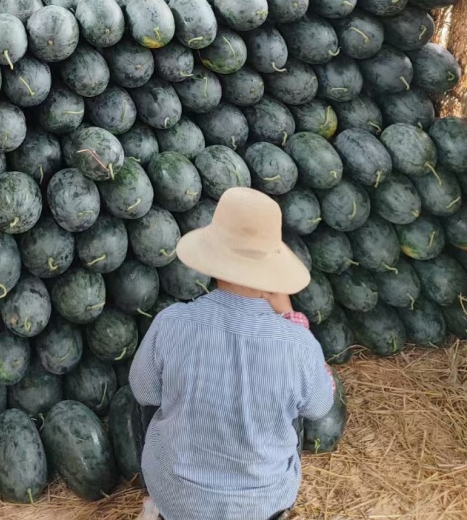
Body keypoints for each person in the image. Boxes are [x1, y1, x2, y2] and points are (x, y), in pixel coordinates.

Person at [128, 187, 335, 520]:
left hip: (179, 501)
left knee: (154, 404)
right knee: (294, 406)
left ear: (213, 258)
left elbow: (143, 390)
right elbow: (319, 405)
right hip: (261, 506)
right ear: (272, 272)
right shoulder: (298, 344)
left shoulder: (171, 323)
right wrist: (291, 319)